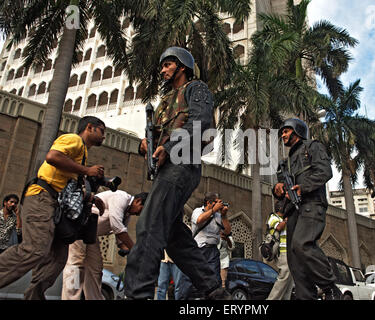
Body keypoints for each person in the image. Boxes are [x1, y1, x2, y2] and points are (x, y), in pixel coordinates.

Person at [124, 47, 229, 300]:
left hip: (183, 165)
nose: (162, 70)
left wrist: (169, 147)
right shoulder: (164, 103)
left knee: (149, 227)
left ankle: (138, 295)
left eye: (167, 65)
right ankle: (215, 291)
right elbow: (158, 136)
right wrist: (145, 145)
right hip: (166, 169)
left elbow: (202, 124)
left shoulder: (197, 88)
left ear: (182, 65)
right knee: (174, 238)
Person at [0, 116, 106, 300]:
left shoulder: (82, 153)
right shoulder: (74, 140)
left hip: (55, 205)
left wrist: (90, 197)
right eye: (102, 131)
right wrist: (86, 171)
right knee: (35, 249)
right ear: (90, 127)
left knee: (57, 259)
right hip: (41, 197)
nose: (104, 136)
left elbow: (67, 188)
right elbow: (53, 157)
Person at [273, 118, 341, 300]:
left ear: (296, 131)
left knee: (302, 244)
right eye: (282, 132)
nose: (283, 135)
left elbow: (325, 171)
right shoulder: (285, 162)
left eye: (286, 131)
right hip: (293, 211)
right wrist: (278, 189)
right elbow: (281, 188)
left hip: (311, 205)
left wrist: (303, 187)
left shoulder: (312, 147)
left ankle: (330, 287)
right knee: (295, 259)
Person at [62, 190, 147, 300]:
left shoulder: (127, 214)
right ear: (138, 201)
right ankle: (70, 298)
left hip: (91, 234)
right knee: (76, 265)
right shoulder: (121, 197)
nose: (140, 214)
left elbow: (121, 241)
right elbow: (117, 227)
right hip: (79, 227)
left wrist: (132, 256)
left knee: (95, 268)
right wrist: (136, 250)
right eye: (142, 209)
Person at [267, 199, 294, 300]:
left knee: (289, 280)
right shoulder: (273, 217)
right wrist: (286, 220)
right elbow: (278, 227)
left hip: (290, 251)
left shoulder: (284, 218)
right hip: (281, 251)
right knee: (284, 276)